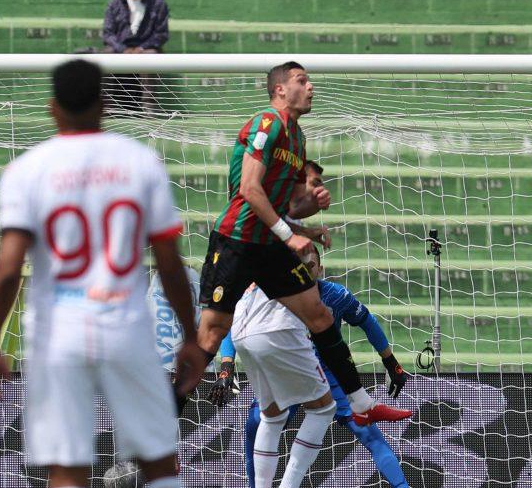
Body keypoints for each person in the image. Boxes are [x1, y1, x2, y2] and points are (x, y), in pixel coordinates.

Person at [0, 59, 203, 488]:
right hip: (125, 326)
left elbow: (9, 268)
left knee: (67, 487)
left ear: (51, 108)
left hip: (58, 333)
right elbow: (168, 262)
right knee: (163, 475)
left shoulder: (27, 170)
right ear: (105, 104)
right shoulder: (140, 162)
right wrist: (191, 337)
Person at [175, 62, 411, 427]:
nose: (311, 87)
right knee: (211, 334)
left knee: (319, 314)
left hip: (269, 246)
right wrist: (292, 235)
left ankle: (362, 405)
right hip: (236, 242)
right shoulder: (265, 124)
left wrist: (307, 219)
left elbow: (281, 207)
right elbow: (249, 191)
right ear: (280, 89)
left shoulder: (298, 138)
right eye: (302, 80)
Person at [212, 245, 433, 488]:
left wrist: (391, 363)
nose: (306, 271)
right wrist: (226, 366)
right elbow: (233, 321)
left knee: (368, 433)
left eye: (311, 266)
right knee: (256, 423)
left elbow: (368, 322)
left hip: (327, 376)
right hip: (289, 373)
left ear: (320, 268)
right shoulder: (275, 293)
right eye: (301, 266)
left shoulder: (334, 295)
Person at [225, 278, 340, 488]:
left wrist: (225, 361)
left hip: (243, 326)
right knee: (324, 409)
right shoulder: (290, 248)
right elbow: (318, 318)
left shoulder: (246, 248)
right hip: (276, 327)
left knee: (273, 416)